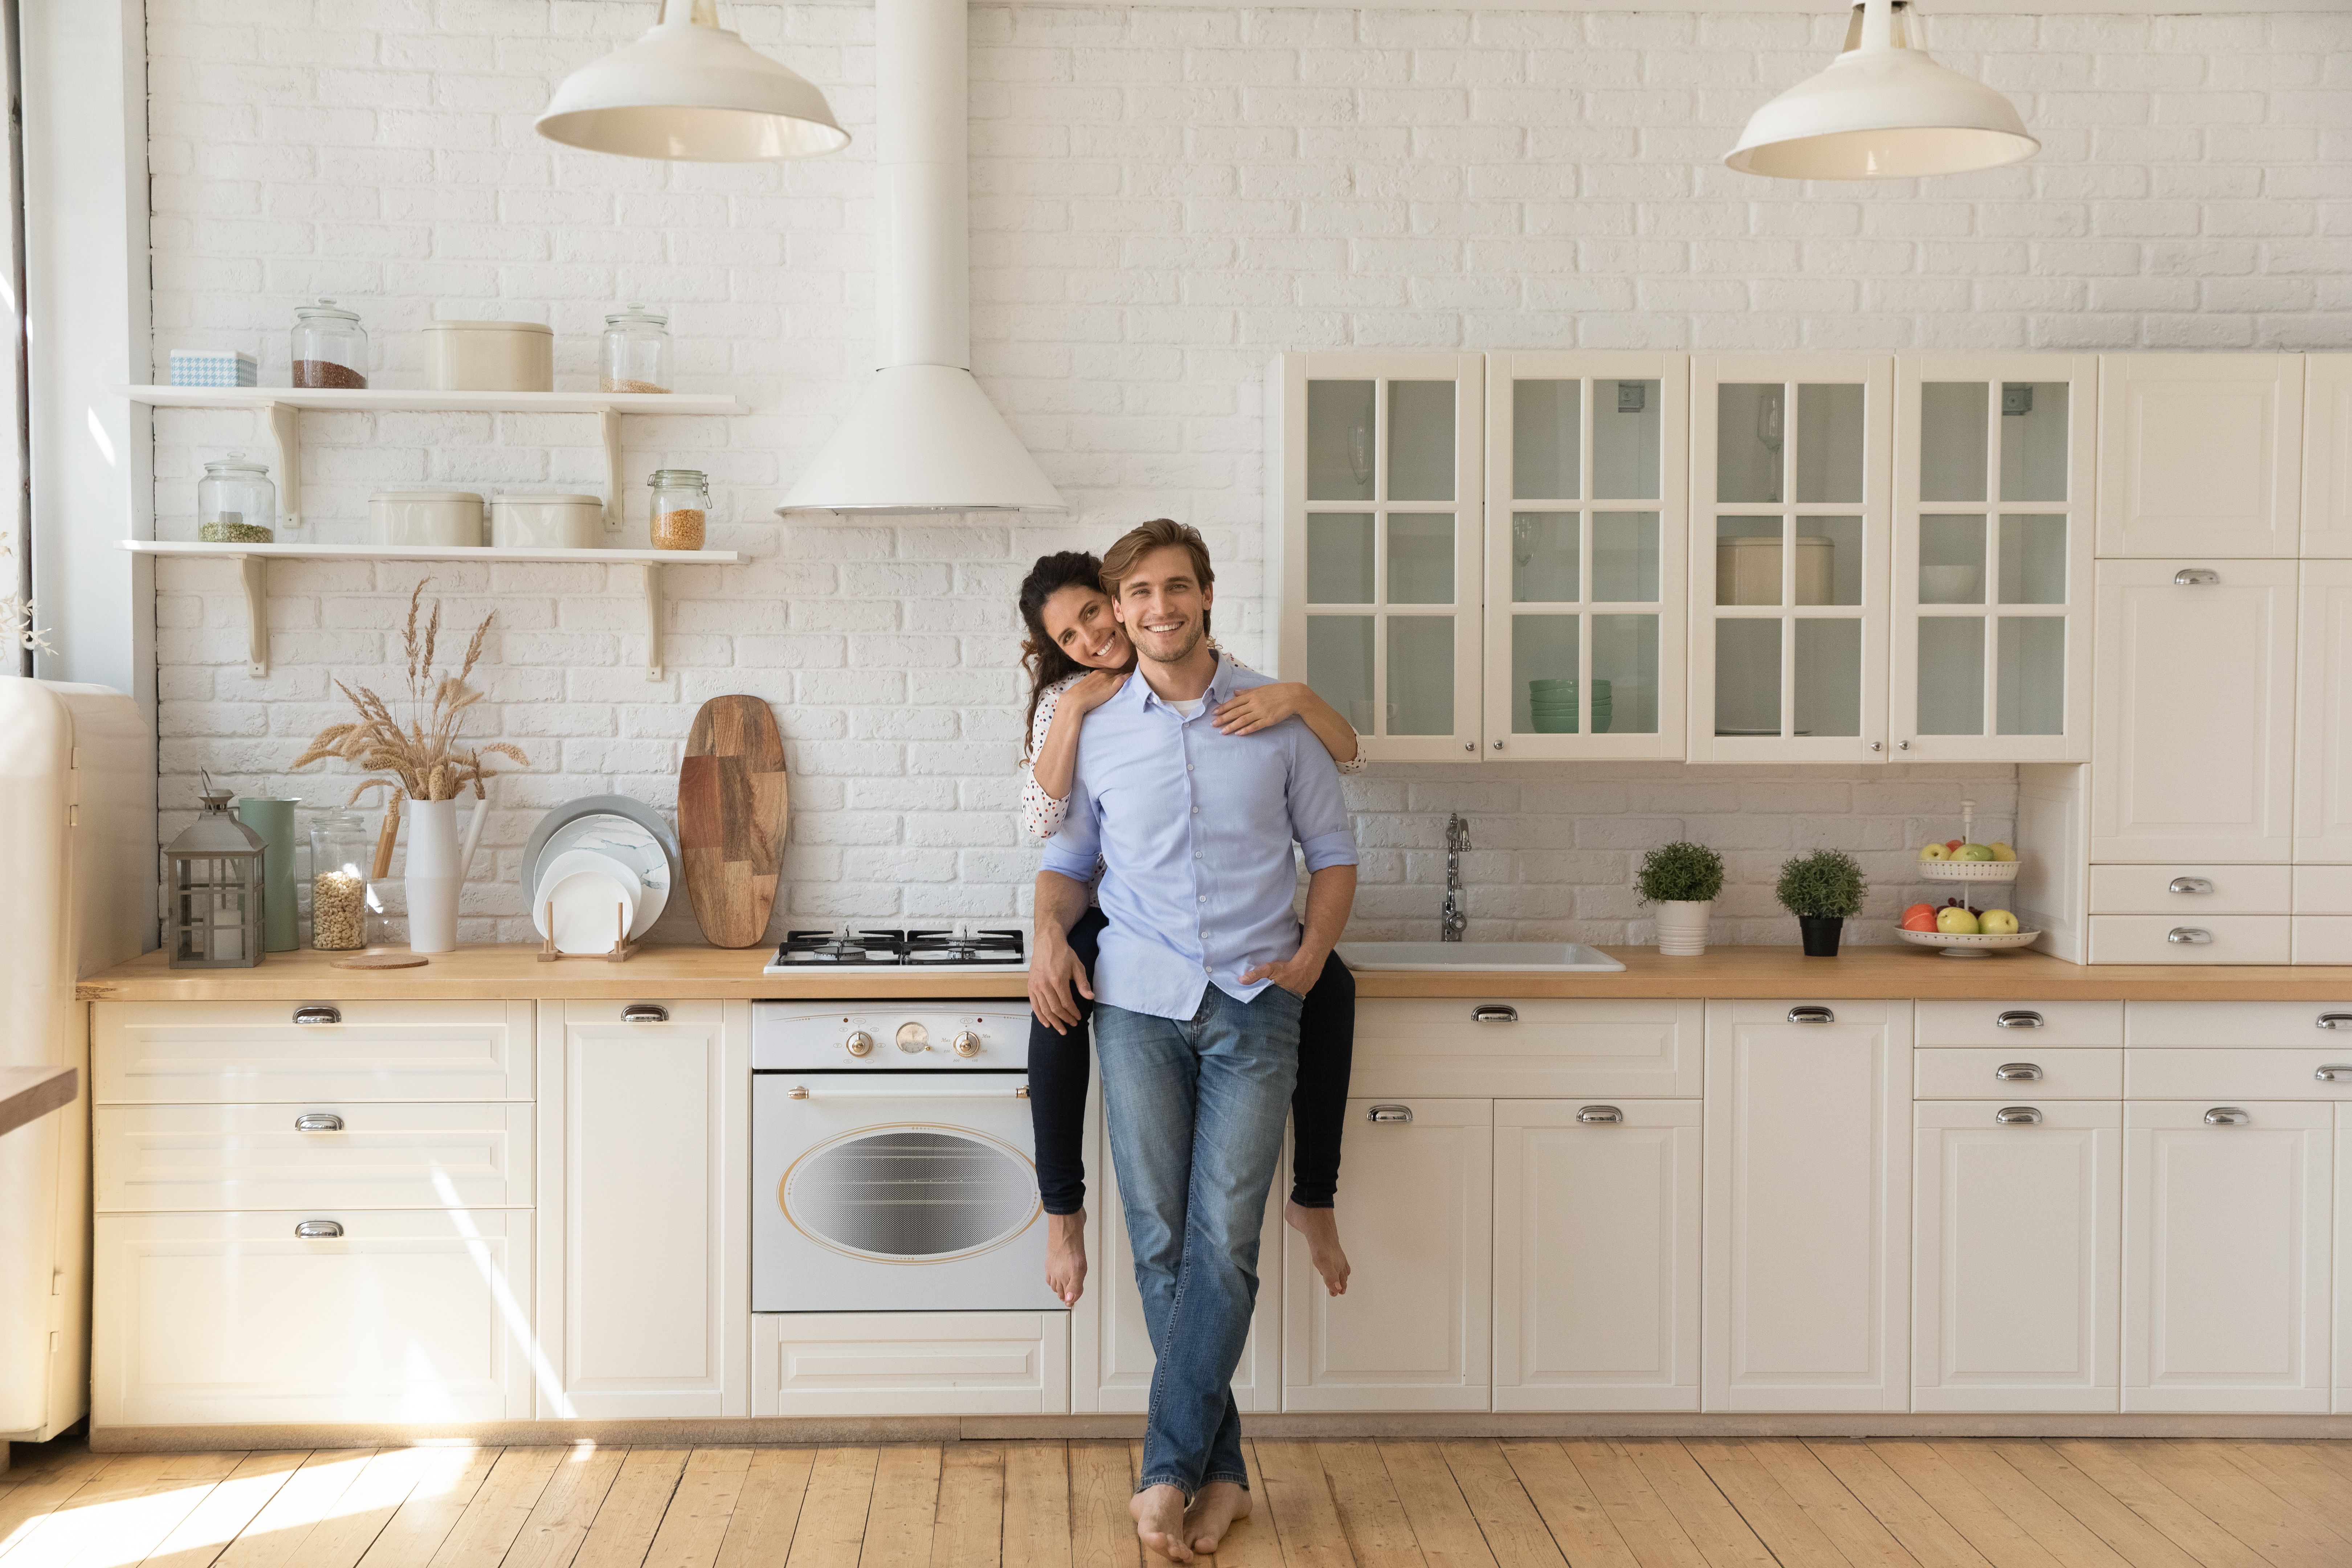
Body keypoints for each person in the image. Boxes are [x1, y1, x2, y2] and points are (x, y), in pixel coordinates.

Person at [1032, 520, 1357, 1563]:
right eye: (1138, 593)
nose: (1157, 607)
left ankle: (1164, 1476)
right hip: (1137, 1005)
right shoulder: (1097, 727)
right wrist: (1047, 925)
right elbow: (1071, 857)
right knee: (1164, 1239)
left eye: (1176, 588)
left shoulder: (1274, 716)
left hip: (1259, 1003)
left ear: (1206, 596)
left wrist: (1310, 959)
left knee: (1222, 1239)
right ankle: (1220, 1473)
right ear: (1119, 610)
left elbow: (1337, 853)